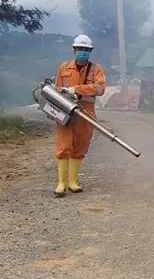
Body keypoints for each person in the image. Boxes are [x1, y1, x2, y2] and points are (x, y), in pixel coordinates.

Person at [52, 34, 106, 197]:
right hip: (66, 112)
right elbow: (56, 90)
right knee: (64, 146)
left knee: (80, 146)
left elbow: (100, 89)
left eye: (86, 50)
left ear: (90, 51)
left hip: (86, 113)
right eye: (80, 49)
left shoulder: (96, 69)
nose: (83, 52)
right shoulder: (64, 68)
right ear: (74, 50)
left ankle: (73, 182)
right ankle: (61, 183)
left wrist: (76, 89)